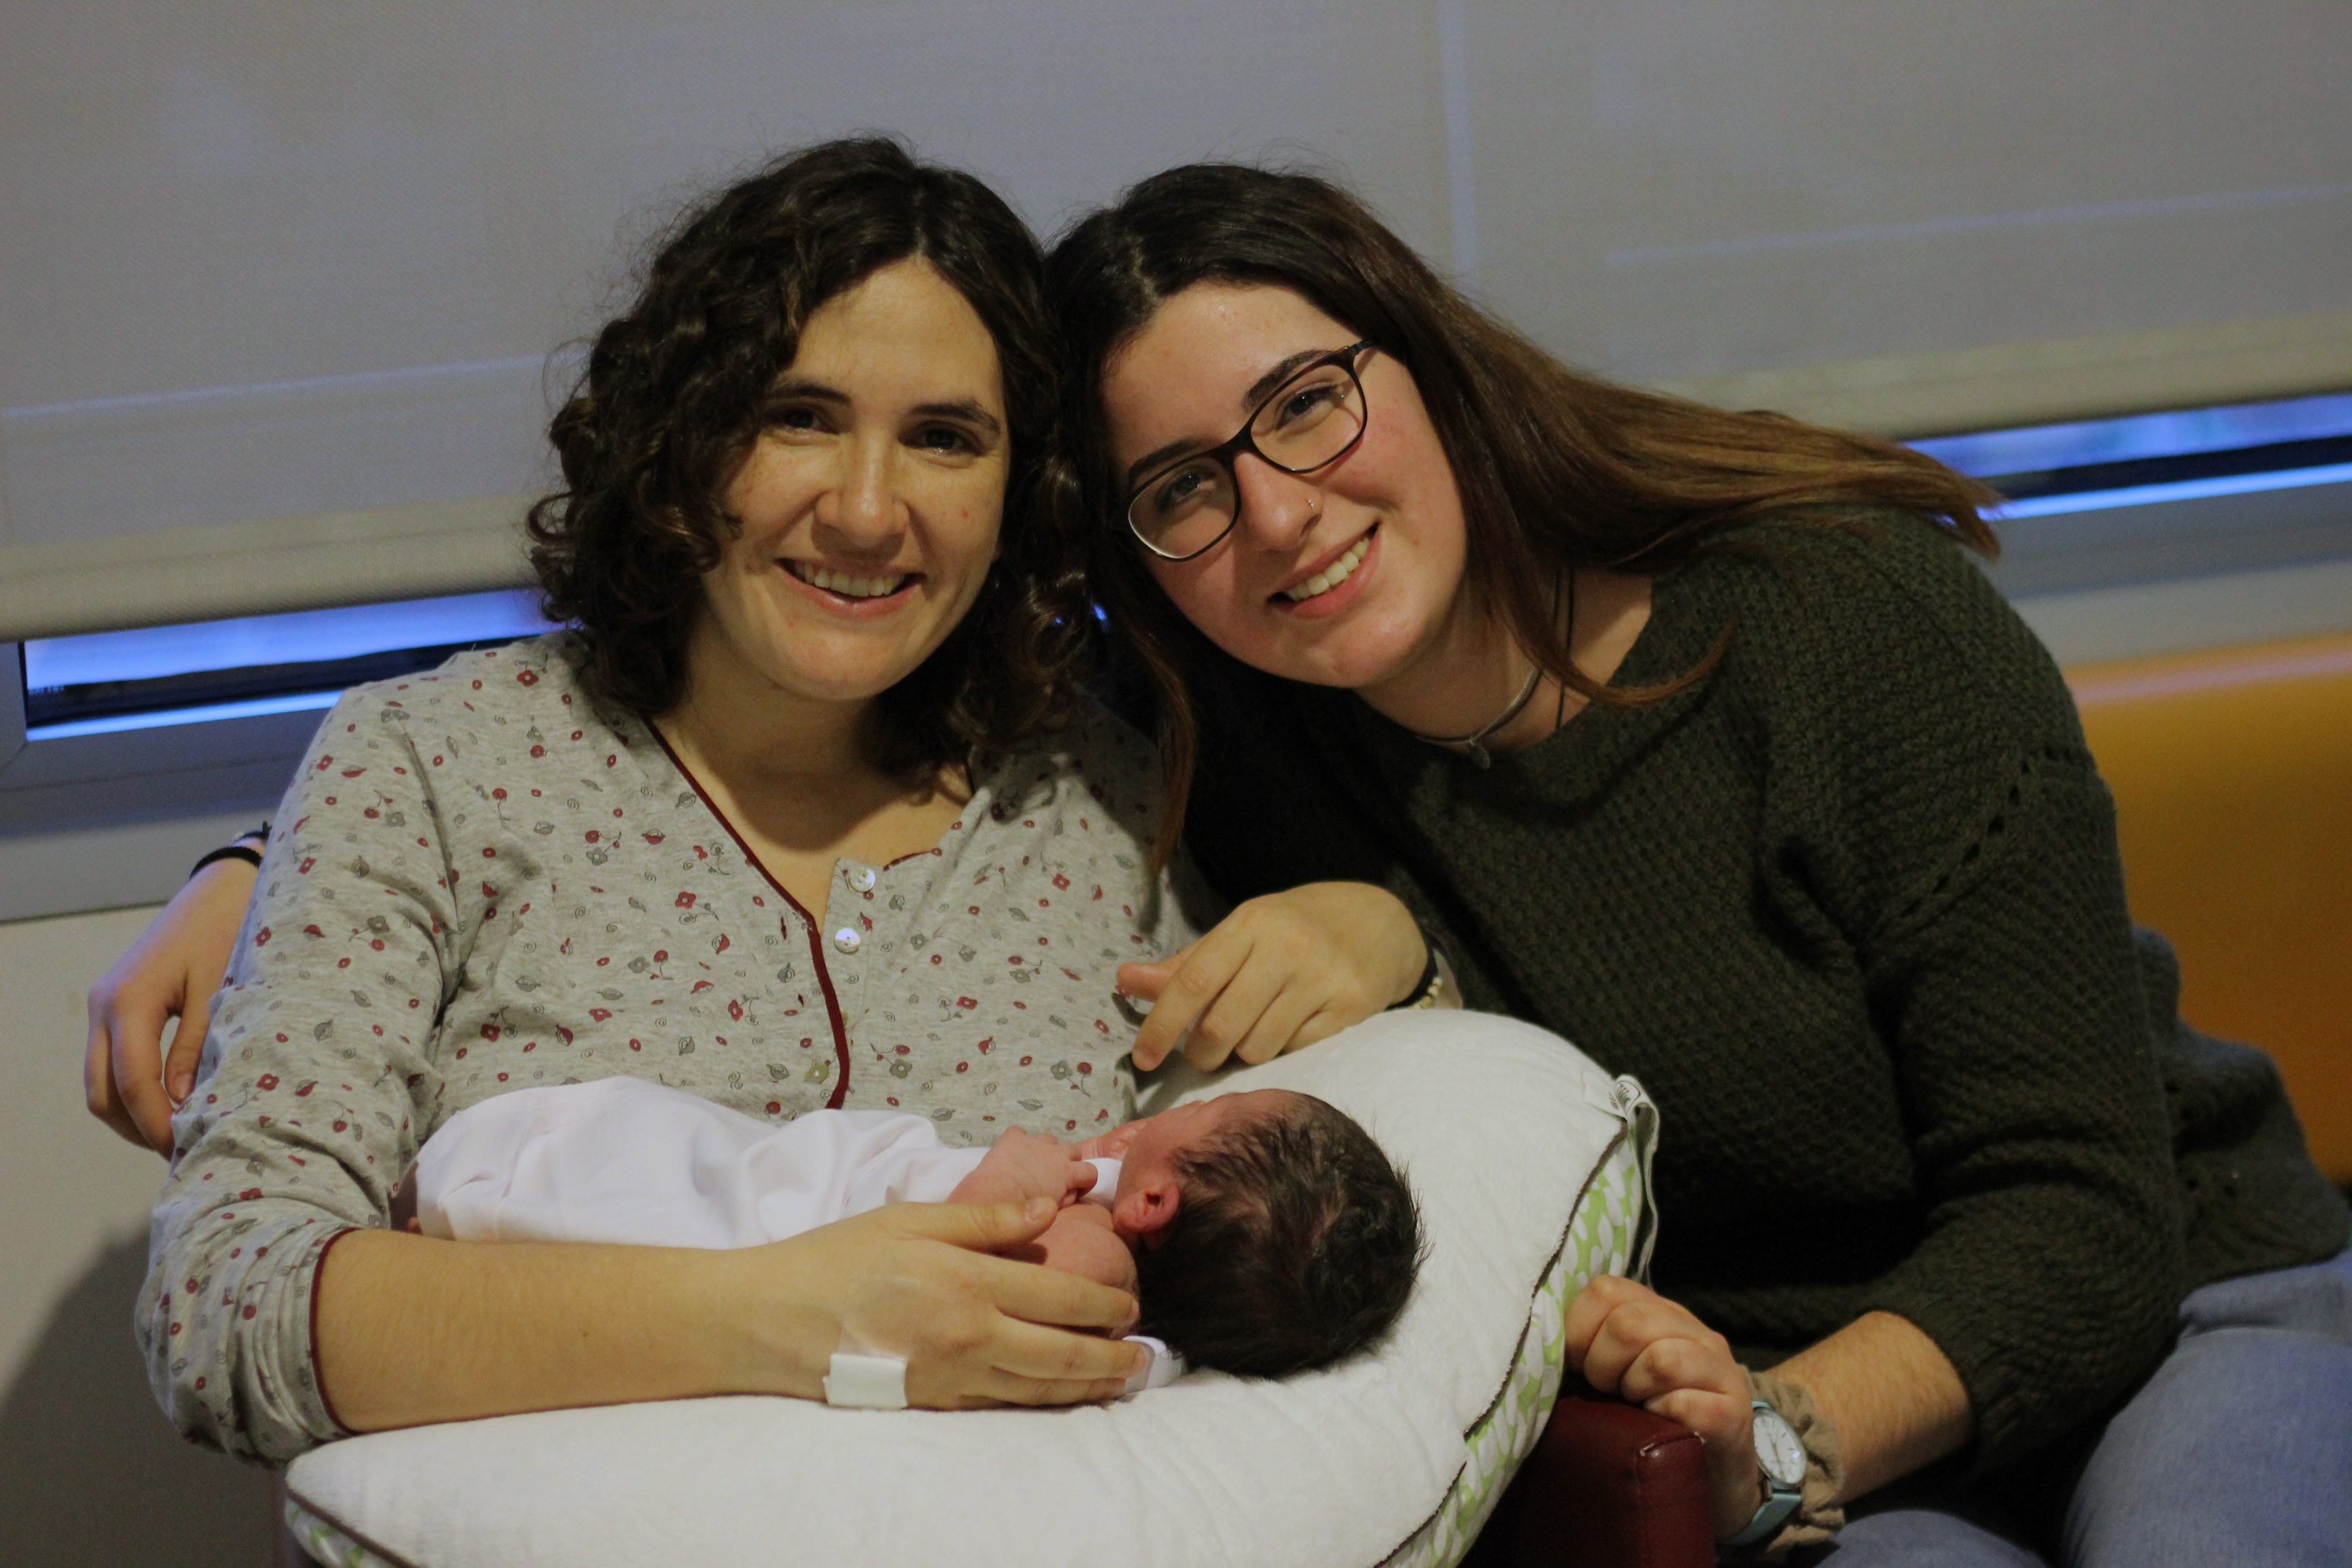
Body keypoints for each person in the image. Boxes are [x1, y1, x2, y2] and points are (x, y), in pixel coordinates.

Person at [1044, 165, 2352, 1565]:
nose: (1276, 514)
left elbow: (2084, 1216)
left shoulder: (1850, 619)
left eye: (1307, 403)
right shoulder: (1208, 746)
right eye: (1182, 488)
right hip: (1762, 1411)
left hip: (2167, 1301)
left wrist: (1774, 1442)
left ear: (1430, 360)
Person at [411, 1077, 1423, 1379]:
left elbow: (921, 1286)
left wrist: (1005, 1186)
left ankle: (501, 1191)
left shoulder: (1091, 1260)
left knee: (653, 1174)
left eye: (1208, 1110)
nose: (1184, 1104)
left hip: (751, 1242)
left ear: (1156, 1204)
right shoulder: (1122, 1252)